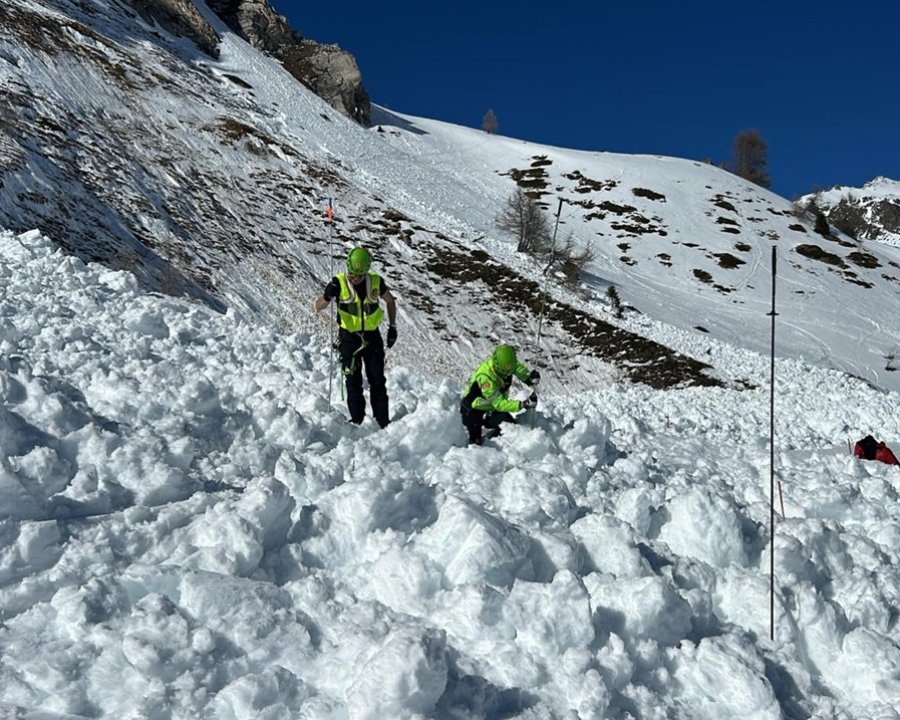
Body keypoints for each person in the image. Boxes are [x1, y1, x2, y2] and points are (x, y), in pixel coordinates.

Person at [314, 247, 397, 428]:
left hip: (372, 337)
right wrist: (327, 295)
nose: (355, 278)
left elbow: (390, 301)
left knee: (377, 380)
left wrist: (392, 327)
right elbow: (318, 306)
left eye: (359, 275)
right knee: (353, 381)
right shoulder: (339, 283)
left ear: (367, 270)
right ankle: (357, 422)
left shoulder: (376, 282)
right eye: (352, 274)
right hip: (348, 339)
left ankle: (383, 422)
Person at [460, 344, 540, 445]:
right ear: (497, 366)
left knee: (512, 430)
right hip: (473, 409)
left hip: (491, 409)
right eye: (504, 373)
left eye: (509, 373)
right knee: (475, 445)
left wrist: (529, 378)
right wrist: (523, 404)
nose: (507, 375)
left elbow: (518, 369)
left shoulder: (507, 364)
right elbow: (499, 403)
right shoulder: (485, 378)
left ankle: (493, 442)